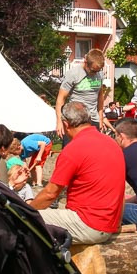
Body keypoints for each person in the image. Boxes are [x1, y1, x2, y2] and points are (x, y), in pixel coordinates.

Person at [31, 102, 125, 245]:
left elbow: (50, 194)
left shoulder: (73, 149)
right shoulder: (112, 143)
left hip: (89, 224)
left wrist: (26, 210)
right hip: (109, 223)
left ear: (65, 124)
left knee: (22, 221)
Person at [56, 48, 111, 140]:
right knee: (73, 152)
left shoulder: (100, 74)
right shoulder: (73, 74)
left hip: (93, 119)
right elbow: (61, 98)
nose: (95, 73)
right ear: (85, 62)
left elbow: (100, 97)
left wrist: (100, 118)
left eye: (98, 71)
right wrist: (59, 121)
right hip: (75, 120)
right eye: (93, 70)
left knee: (91, 152)